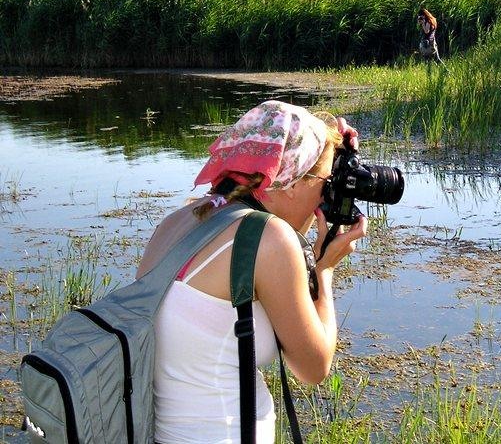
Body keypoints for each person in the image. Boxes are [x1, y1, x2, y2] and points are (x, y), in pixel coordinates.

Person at [136, 100, 367, 443]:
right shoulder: (269, 239)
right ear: (289, 181)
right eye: (324, 182)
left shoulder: (178, 222)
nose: (324, 197)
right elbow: (314, 367)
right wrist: (324, 271)